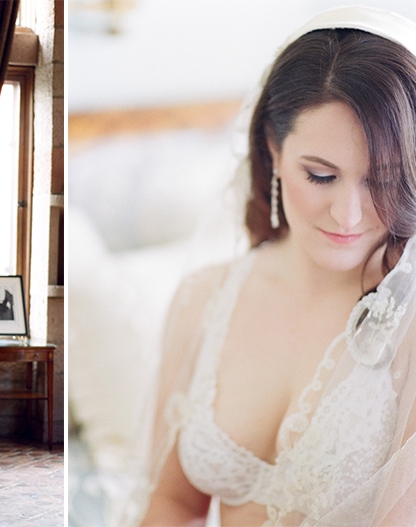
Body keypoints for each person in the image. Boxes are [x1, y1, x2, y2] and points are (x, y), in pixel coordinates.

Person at [136, 6, 416, 526]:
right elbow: (172, 502)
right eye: (321, 176)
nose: (349, 215)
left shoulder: (411, 327)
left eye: (383, 179)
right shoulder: (205, 297)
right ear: (272, 148)